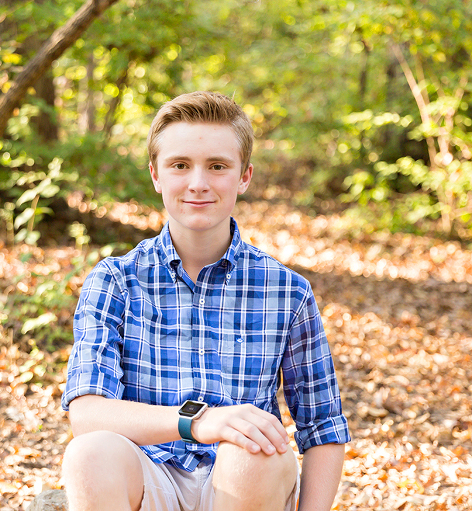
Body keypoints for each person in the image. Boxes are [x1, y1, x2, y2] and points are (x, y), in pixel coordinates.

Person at [60, 91, 351, 511]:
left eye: (217, 166)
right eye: (180, 165)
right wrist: (199, 421)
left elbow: (322, 428)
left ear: (244, 176)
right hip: (148, 475)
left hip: (250, 488)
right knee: (89, 454)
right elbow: (87, 413)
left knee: (253, 451)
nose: (198, 183)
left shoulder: (286, 291)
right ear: (157, 175)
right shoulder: (115, 281)